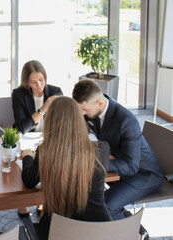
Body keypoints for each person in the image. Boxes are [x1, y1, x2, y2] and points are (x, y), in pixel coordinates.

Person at [72, 79, 163, 238]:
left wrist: (98, 163)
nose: (83, 114)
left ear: (100, 103)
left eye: (85, 110)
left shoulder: (126, 120)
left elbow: (131, 166)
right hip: (118, 168)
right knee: (83, 197)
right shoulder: (94, 110)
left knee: (106, 206)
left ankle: (135, 235)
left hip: (144, 175)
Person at [21, 96, 112, 240]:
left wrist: (27, 156)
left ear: (50, 122)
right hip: (98, 230)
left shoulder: (45, 151)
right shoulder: (102, 149)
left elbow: (29, 180)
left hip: (56, 232)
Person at [12, 60, 63, 134]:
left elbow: (63, 122)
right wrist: (43, 109)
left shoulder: (56, 92)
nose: (39, 85)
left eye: (41, 80)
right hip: (27, 138)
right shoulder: (19, 94)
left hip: (50, 137)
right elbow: (22, 128)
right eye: (33, 82)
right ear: (27, 82)